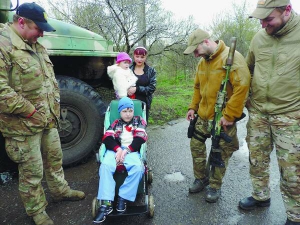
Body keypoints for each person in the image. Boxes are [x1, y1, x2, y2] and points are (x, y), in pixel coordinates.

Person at [0, 3, 85, 225]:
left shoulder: (35, 43)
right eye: (38, 28)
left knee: (55, 160)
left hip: (47, 119)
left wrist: (51, 110)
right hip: (22, 125)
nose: (42, 33)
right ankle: (37, 210)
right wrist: (29, 112)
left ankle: (60, 191)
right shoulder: (3, 44)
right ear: (21, 22)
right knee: (32, 171)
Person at [238, 1, 300, 224]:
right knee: (257, 160)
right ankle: (260, 196)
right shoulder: (259, 38)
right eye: (260, 19)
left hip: (291, 115)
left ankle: (295, 216)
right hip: (259, 113)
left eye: (268, 19)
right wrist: (244, 101)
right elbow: (248, 70)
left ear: (287, 10)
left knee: (292, 171)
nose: (263, 24)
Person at [184, 29, 250, 203]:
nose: (195, 54)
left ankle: (214, 186)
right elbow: (198, 87)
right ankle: (201, 178)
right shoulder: (202, 62)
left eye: (196, 50)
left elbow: (242, 87)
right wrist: (193, 107)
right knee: (196, 146)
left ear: (206, 41)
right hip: (203, 116)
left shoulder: (231, 57)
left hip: (222, 118)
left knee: (219, 154)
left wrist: (230, 115)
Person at [93, 97, 147, 224]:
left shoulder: (139, 121)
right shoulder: (115, 123)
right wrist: (118, 150)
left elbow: (140, 138)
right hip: (115, 150)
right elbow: (107, 138)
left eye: (130, 111)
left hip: (132, 150)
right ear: (120, 112)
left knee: (138, 168)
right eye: (124, 111)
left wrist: (126, 150)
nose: (128, 114)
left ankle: (123, 197)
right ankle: (106, 203)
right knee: (105, 165)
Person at [129, 46, 157, 122]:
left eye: (142, 57)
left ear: (146, 57)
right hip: (129, 104)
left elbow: (152, 88)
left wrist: (137, 89)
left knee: (142, 126)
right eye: (137, 56)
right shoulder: (128, 69)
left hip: (144, 104)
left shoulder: (151, 71)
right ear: (133, 56)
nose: (139, 59)